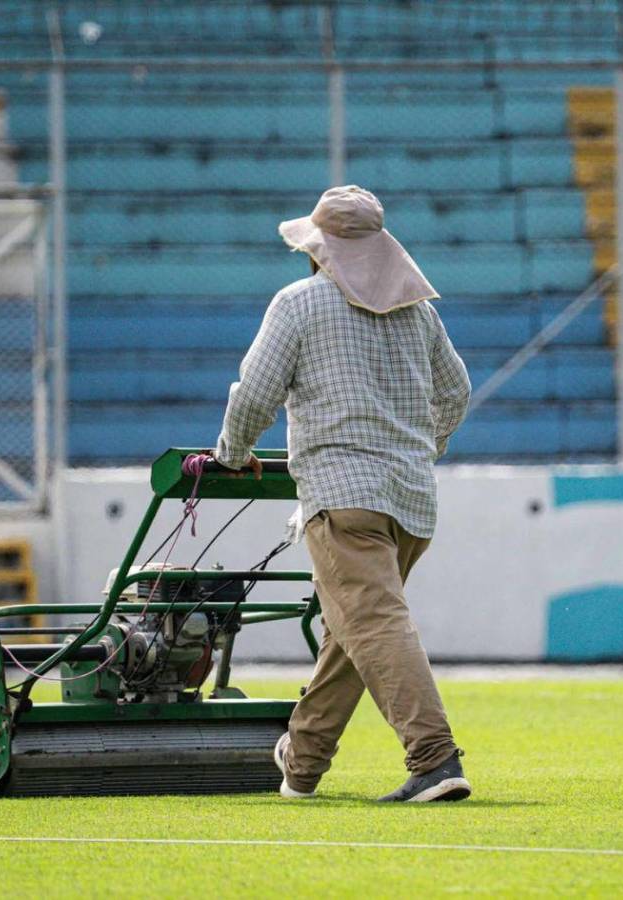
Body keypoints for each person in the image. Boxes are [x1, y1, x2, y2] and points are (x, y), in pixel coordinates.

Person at [210, 185, 473, 802]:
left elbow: (254, 395)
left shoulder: (298, 304)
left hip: (343, 499)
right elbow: (456, 393)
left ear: (319, 250)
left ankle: (434, 758)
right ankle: (300, 764)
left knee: (374, 625)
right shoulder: (420, 313)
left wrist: (233, 455)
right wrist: (419, 447)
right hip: (412, 504)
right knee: (351, 633)